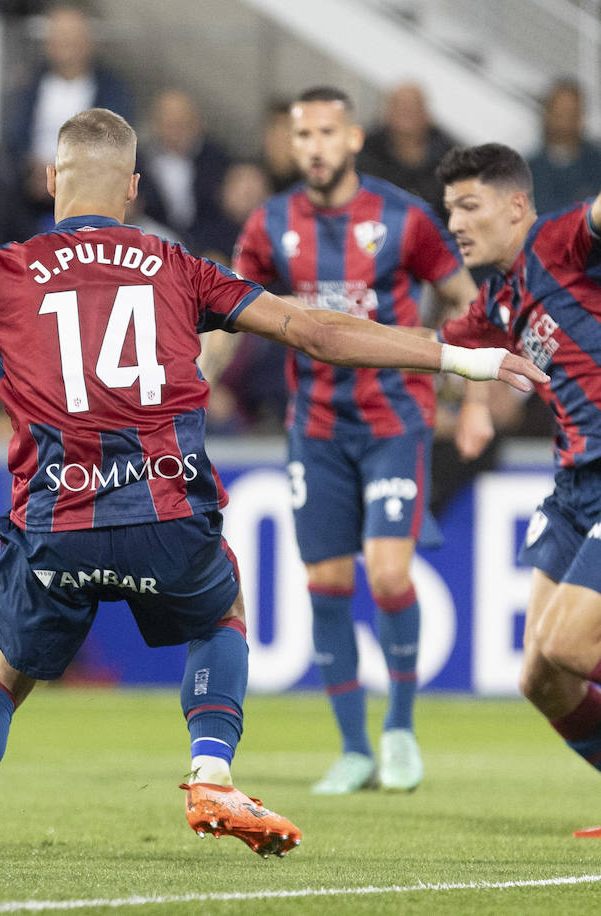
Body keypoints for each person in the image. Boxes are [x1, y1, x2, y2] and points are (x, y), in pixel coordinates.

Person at [0, 107, 542, 866]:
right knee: (222, 616)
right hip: (165, 512)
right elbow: (316, 330)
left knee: (0, 671)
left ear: (53, 182)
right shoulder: (178, 266)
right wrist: (461, 358)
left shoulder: (0, 271)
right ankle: (212, 775)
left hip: (56, 522)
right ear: (132, 189)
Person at [232, 86, 480, 796]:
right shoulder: (270, 223)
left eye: (324, 132)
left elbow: (462, 298)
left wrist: (467, 398)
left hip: (394, 416)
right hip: (314, 425)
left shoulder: (404, 217)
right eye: (301, 133)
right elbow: (229, 307)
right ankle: (353, 749)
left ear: (352, 138)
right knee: (327, 583)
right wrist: (198, 371)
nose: (311, 145)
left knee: (392, 573)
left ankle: (399, 729)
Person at [434, 142, 601, 839]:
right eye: (450, 211)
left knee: (568, 644)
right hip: (574, 487)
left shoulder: (561, 242)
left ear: (516, 206)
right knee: (540, 676)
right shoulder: (496, 301)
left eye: (470, 206)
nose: (457, 223)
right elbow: (427, 351)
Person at [2, 2, 133, 239]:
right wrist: (33, 169)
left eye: (71, 37)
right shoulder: (28, 85)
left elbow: (116, 142)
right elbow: (14, 138)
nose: (64, 44)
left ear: (88, 41)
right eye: (57, 36)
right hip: (31, 187)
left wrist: (65, 175)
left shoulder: (111, 88)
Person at [136, 88, 230, 237]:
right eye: (169, 124)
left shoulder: (217, 160)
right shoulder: (140, 162)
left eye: (183, 123)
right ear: (156, 124)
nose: (176, 131)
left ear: (197, 122)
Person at [358, 83, 454, 216]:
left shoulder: (448, 158)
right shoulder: (365, 151)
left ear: (427, 113)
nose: (407, 112)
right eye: (399, 105)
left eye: (414, 106)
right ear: (386, 111)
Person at [527, 79, 601, 216]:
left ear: (581, 117)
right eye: (559, 113)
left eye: (571, 113)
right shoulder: (527, 171)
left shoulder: (596, 166)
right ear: (546, 114)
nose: (565, 122)